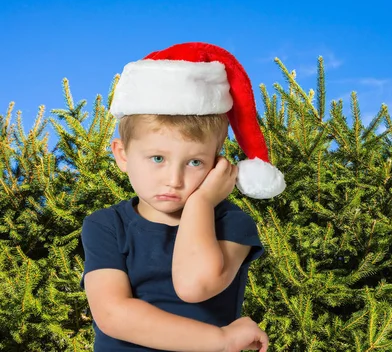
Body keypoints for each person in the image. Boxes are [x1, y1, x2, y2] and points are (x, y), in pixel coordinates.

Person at [80, 42, 286, 351]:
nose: (174, 180)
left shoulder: (232, 223)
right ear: (122, 155)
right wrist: (220, 340)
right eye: (158, 159)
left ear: (217, 164)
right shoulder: (106, 225)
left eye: (195, 163)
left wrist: (201, 203)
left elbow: (193, 285)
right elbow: (113, 314)